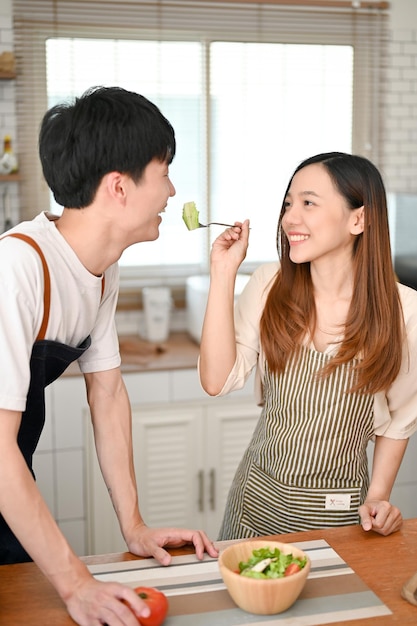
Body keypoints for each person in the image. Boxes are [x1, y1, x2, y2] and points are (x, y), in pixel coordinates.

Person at [0, 86, 217, 626]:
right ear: (119, 187)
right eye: (163, 170)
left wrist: (135, 526)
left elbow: (108, 392)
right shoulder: (18, 268)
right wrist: (76, 584)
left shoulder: (101, 266)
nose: (171, 190)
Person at [199, 151, 417, 541]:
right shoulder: (269, 284)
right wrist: (223, 273)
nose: (289, 218)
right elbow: (216, 381)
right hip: (254, 508)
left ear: (359, 219)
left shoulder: (404, 310)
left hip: (340, 517)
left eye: (308, 203)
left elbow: (400, 419)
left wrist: (379, 497)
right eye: (287, 204)